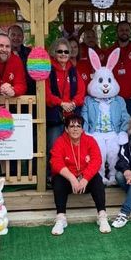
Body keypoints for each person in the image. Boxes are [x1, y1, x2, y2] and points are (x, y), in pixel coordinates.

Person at [50, 114, 111, 235]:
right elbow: (55, 162)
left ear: (82, 129)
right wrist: (72, 178)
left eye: (78, 126)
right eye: (72, 126)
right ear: (66, 129)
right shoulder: (60, 141)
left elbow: (96, 160)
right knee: (57, 180)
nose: (75, 129)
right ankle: (61, 218)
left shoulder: (90, 140)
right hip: (69, 181)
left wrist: (85, 178)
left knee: (97, 179)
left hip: (85, 181)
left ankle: (102, 215)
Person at [45, 38, 86, 172]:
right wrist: (61, 103)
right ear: (54, 52)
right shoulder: (48, 70)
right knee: (54, 146)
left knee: (72, 147)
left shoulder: (73, 69)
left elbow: (81, 91)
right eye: (60, 51)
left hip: (71, 116)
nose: (63, 54)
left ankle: (72, 173)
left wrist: (73, 103)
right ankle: (52, 175)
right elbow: (46, 93)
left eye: (66, 51)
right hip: (55, 116)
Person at [105, 21, 131, 115]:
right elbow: (105, 73)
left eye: (127, 30)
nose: (124, 32)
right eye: (121, 30)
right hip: (113, 97)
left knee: (130, 122)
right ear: (117, 32)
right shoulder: (110, 51)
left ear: (130, 32)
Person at [8, 24, 35, 95]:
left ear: (23, 38)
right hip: (7, 93)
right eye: (13, 35)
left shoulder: (30, 53)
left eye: (19, 35)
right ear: (8, 36)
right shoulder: (4, 53)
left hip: (29, 94)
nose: (16, 38)